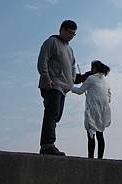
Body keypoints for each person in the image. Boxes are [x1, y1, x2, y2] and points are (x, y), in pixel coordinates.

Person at [37, 19, 87, 156]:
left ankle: (48, 144)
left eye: (74, 34)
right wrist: (46, 78)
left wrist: (71, 82)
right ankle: (47, 145)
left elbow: (72, 67)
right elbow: (42, 60)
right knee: (51, 114)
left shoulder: (69, 49)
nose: (71, 36)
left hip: (63, 87)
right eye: (69, 32)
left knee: (56, 116)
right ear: (62, 30)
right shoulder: (51, 42)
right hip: (52, 84)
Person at [71, 60, 111, 159]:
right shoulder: (106, 80)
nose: (91, 70)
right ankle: (100, 159)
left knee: (91, 134)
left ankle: (91, 159)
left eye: (92, 68)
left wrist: (69, 87)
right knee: (100, 134)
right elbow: (109, 97)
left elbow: (80, 91)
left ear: (95, 68)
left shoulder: (91, 78)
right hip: (103, 111)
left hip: (92, 110)